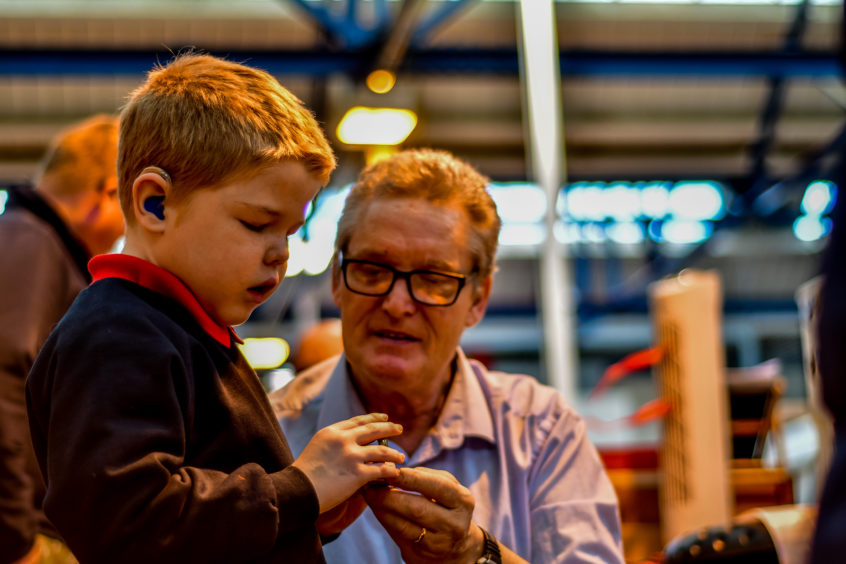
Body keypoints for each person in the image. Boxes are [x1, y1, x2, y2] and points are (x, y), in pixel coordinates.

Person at [25, 53, 404, 564]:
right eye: (256, 223)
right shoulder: (117, 335)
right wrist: (298, 487)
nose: (280, 253)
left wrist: (301, 515)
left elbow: (200, 523)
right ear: (155, 203)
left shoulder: (190, 333)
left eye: (289, 232)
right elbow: (128, 523)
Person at [271, 149, 624, 563]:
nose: (397, 303)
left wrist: (476, 555)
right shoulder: (273, 433)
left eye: (433, 279)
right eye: (372, 270)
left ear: (479, 298)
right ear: (337, 279)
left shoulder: (540, 431)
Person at [0, 114, 123, 564]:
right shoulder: (29, 241)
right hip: (28, 535)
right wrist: (15, 536)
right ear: (107, 192)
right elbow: (0, 379)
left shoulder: (32, 243)